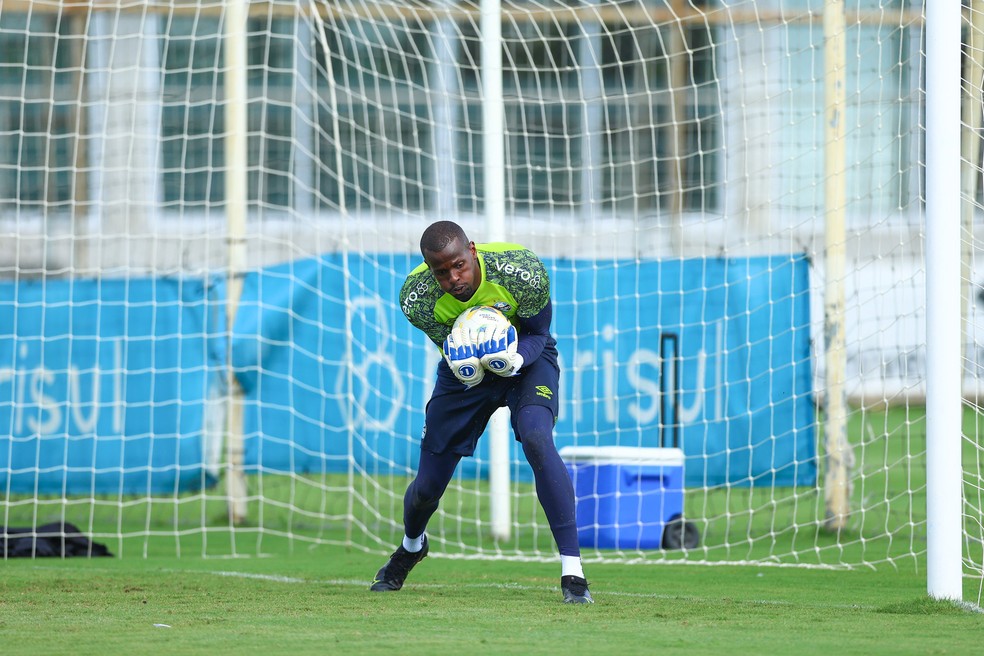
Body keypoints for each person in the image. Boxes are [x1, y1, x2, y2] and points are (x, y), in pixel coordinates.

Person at [369, 220, 592, 604]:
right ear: (429, 269)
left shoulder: (520, 269)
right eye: (441, 272)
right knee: (426, 488)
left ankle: (573, 574)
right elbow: (450, 347)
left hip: (525, 359)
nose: (453, 277)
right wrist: (464, 363)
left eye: (459, 265)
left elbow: (540, 333)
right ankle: (411, 547)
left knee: (538, 438)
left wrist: (514, 357)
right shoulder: (416, 298)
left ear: (471, 250)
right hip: (466, 373)